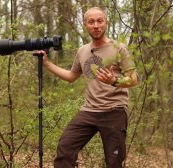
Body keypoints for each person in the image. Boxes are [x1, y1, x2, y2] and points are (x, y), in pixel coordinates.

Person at [37, 7, 138, 168]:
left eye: (100, 21)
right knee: (65, 149)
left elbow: (133, 79)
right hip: (89, 111)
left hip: (114, 111)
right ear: (85, 25)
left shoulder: (119, 49)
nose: (96, 25)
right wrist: (47, 64)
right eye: (91, 22)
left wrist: (114, 81)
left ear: (106, 23)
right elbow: (71, 76)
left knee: (114, 161)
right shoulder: (82, 51)